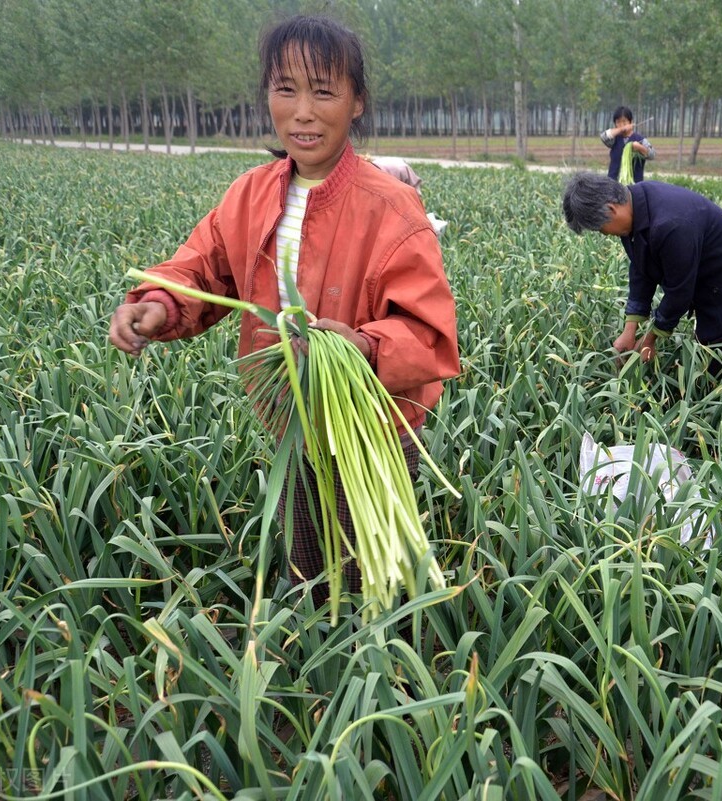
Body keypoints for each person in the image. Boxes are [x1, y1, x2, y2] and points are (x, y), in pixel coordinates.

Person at [108, 15, 460, 606]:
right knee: (306, 553)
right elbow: (201, 266)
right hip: (289, 415)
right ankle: (313, 655)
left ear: (357, 104)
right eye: (285, 88)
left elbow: (427, 334)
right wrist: (159, 302)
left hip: (371, 425)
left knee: (369, 564)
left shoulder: (393, 209)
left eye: (324, 91)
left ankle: (374, 660)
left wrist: (364, 347)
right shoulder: (249, 194)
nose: (302, 111)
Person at [561, 171, 722, 373]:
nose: (604, 234)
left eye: (600, 229)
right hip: (714, 285)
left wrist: (649, 339)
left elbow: (679, 292)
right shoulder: (635, 206)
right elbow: (640, 267)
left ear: (611, 209)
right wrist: (630, 330)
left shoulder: (670, 224)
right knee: (708, 355)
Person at [600, 106, 655, 184]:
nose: (621, 124)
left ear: (631, 122)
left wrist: (639, 147)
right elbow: (603, 137)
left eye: (624, 121)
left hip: (634, 185)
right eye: (618, 122)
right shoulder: (614, 139)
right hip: (614, 183)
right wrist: (621, 129)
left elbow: (652, 155)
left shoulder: (640, 140)